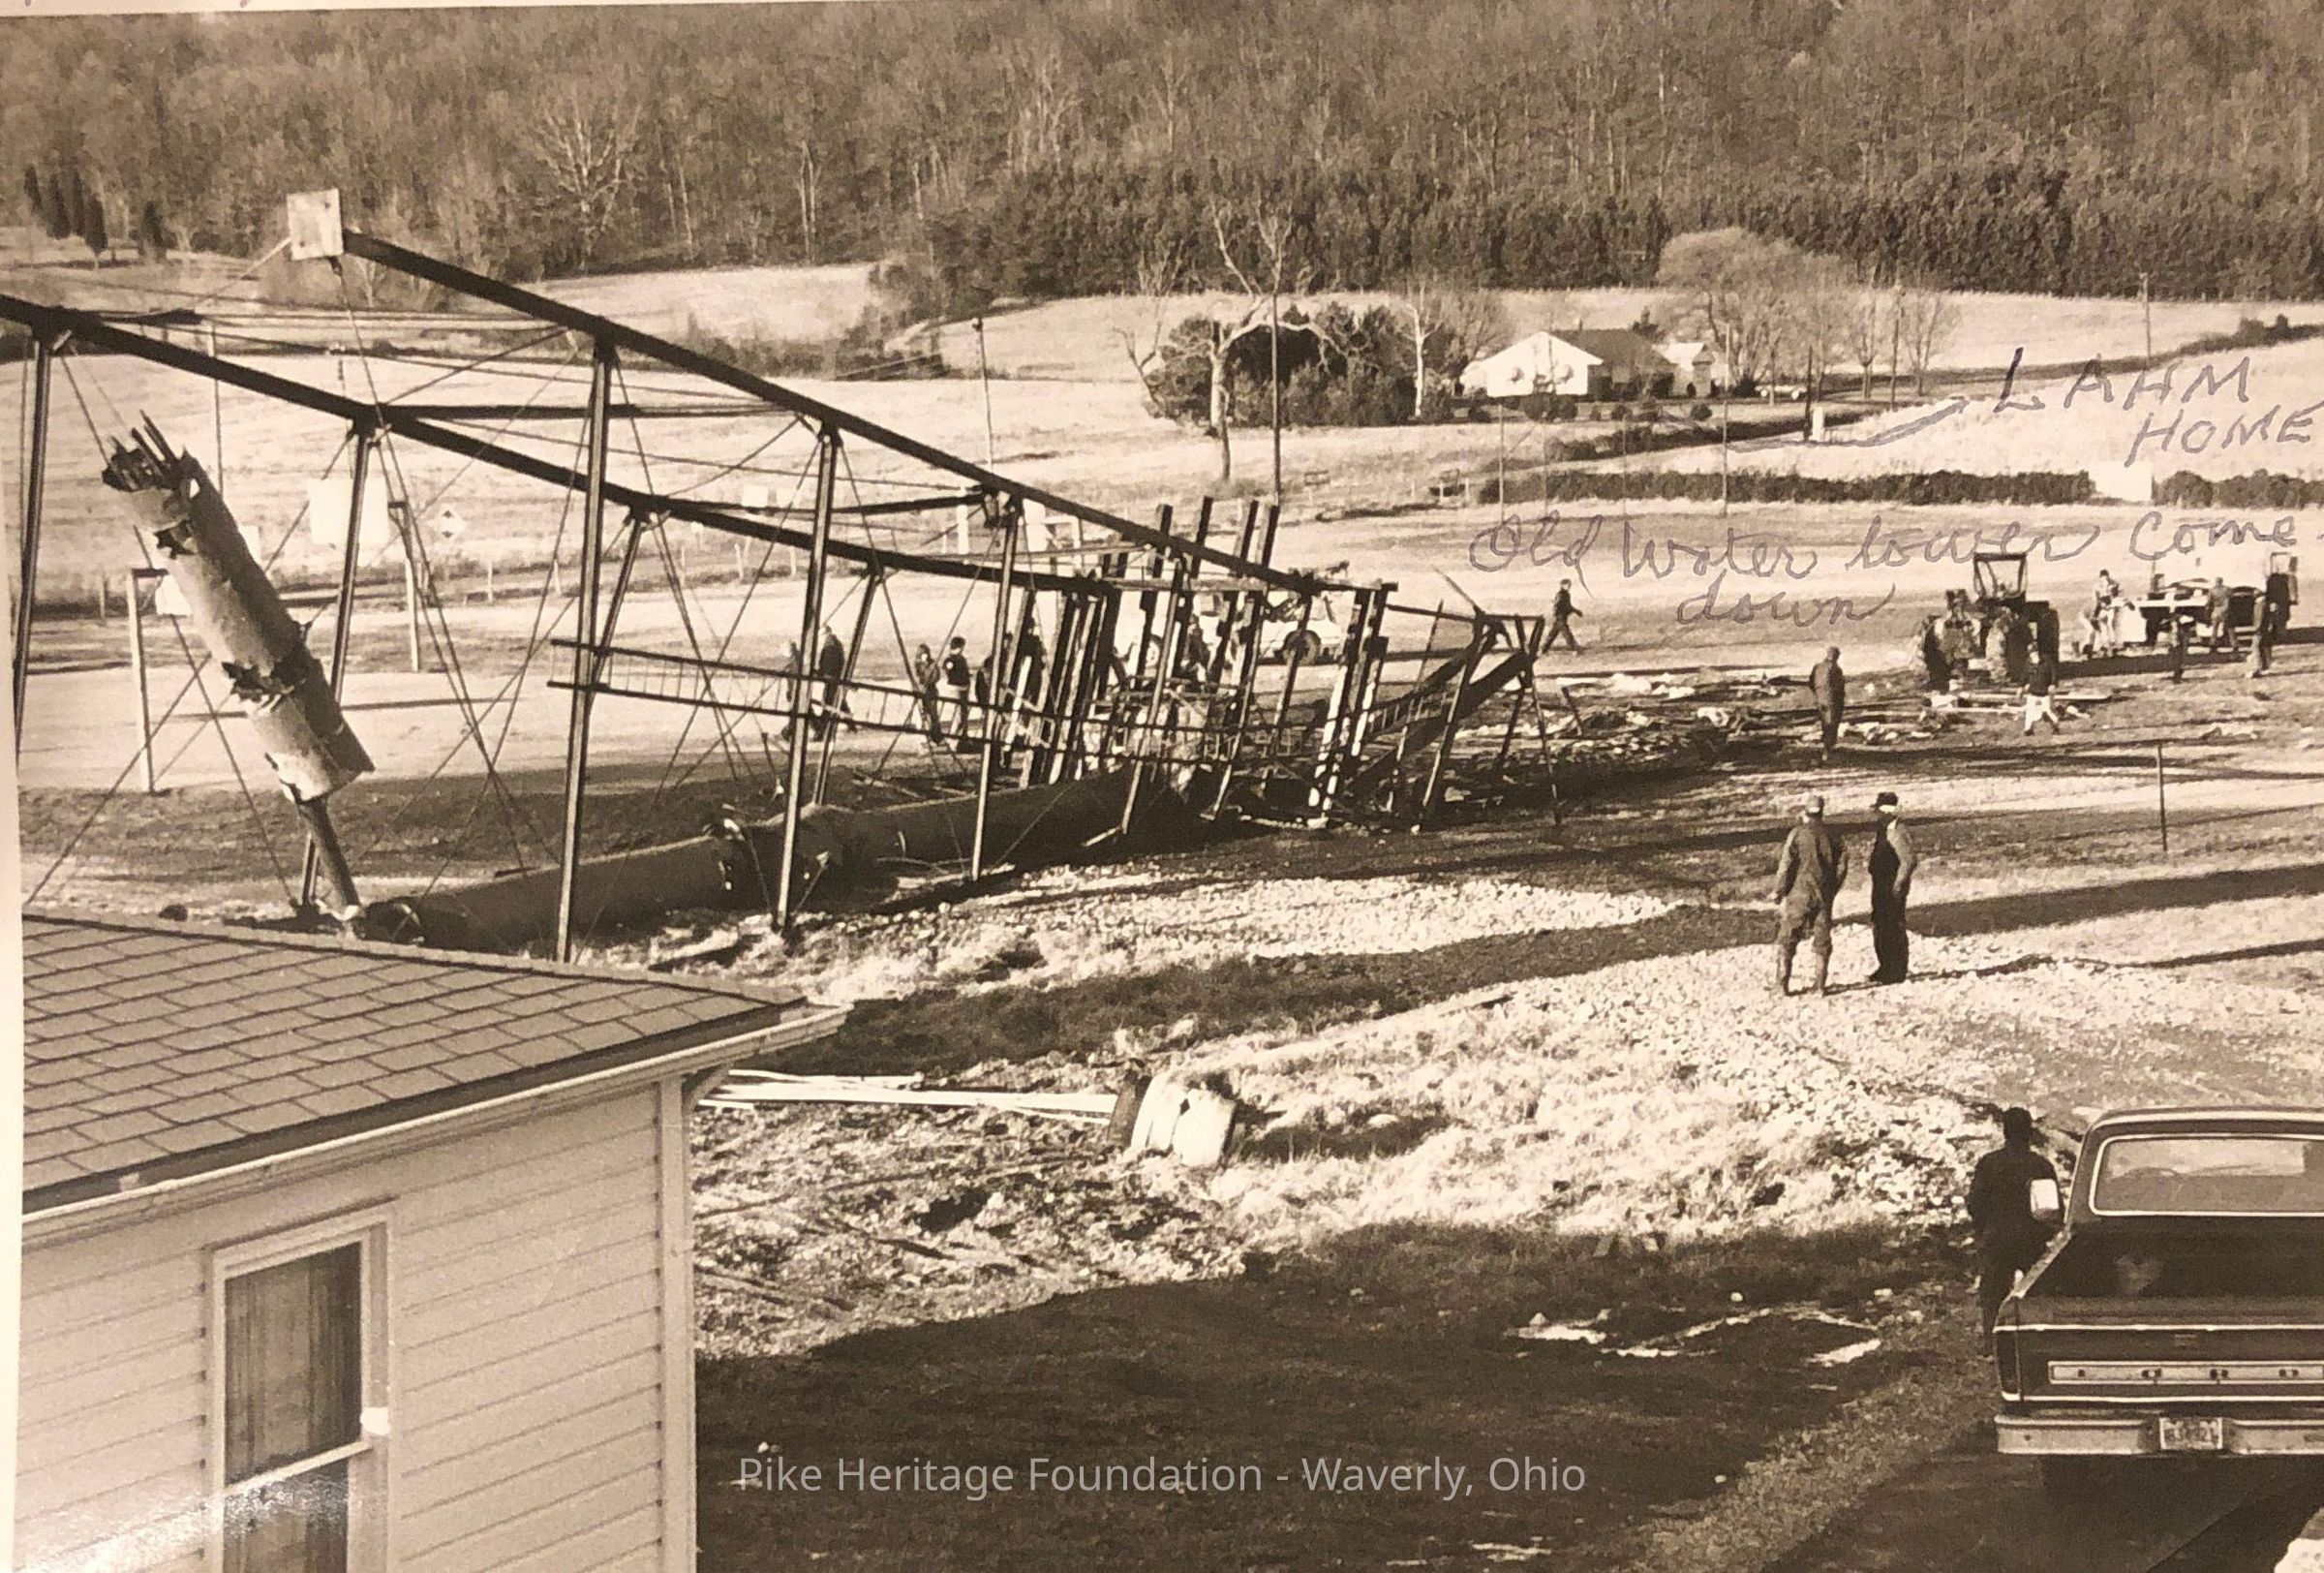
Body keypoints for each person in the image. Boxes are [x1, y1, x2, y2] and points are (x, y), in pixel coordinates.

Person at [1967, 1107, 2061, 1340]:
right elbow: (2054, 1210)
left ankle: (1992, 1343)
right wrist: (2044, 1233)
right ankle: (2038, 1338)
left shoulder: (1989, 1164)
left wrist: (1984, 1230)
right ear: (2029, 1132)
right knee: (2038, 1296)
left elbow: (1975, 1205)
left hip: (1997, 1239)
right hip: (2031, 1241)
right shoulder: (2041, 1166)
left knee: (1993, 1299)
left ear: (2005, 1131)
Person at [1770, 793, 1848, 997]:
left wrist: (1779, 890)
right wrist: (1832, 888)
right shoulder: (1833, 835)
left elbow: (1786, 865)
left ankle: (1781, 985)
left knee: (1788, 937)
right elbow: (1842, 866)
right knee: (1822, 939)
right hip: (1824, 893)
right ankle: (1819, 986)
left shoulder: (1797, 834)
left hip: (1799, 893)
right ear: (1822, 812)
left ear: (1805, 812)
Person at [1868, 790, 1919, 983]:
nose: (1877, 816)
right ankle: (1885, 967)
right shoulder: (1886, 830)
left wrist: (1898, 884)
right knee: (1881, 926)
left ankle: (1895, 970)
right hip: (1881, 886)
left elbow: (1909, 860)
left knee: (1892, 927)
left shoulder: (1896, 832)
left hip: (1891, 888)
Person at [1809, 646, 1846, 761]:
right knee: (1832, 726)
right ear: (1836, 656)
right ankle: (1827, 752)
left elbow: (1811, 683)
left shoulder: (1817, 667)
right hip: (1833, 701)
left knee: (1825, 725)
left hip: (1821, 700)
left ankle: (1826, 750)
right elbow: (1839, 688)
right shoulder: (1835, 669)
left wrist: (1819, 695)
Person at [813, 629, 848, 738]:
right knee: (837, 702)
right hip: (833, 679)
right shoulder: (834, 644)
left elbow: (829, 666)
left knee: (829, 703)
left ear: (826, 634)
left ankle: (821, 731)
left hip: (831, 679)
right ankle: (850, 724)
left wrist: (821, 673)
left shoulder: (831, 647)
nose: (820, 638)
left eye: (821, 635)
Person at [2021, 645, 2061, 734]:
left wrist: (2053, 684)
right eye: (2031, 653)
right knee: (2029, 711)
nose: (2033, 654)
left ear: (2038, 652)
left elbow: (2054, 672)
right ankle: (2028, 729)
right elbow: (2025, 675)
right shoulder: (2028, 663)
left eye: (2034, 652)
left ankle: (2055, 726)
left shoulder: (2046, 661)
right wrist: (2022, 685)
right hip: (2033, 691)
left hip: (2045, 691)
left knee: (2048, 711)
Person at [938, 635, 972, 741]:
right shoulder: (953, 660)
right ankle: (956, 734)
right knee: (959, 712)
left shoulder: (957, 659)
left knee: (962, 712)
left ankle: (961, 734)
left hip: (963, 688)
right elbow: (948, 668)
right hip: (958, 688)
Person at [911, 643, 942, 741]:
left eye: (926, 654)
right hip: (920, 691)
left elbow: (936, 676)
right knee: (923, 712)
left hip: (931, 690)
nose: (925, 656)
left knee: (933, 713)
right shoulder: (916, 664)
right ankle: (924, 732)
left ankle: (935, 734)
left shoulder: (932, 663)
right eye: (922, 654)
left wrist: (929, 680)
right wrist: (921, 682)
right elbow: (915, 677)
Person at [1917, 615, 1951, 694]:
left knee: (1936, 670)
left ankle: (1938, 686)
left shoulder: (1931, 629)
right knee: (1936, 670)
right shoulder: (1931, 630)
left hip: (1933, 655)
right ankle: (1938, 686)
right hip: (1933, 654)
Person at [1548, 579, 1582, 653]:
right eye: (1567, 585)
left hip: (1560, 618)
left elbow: (1567, 606)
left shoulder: (1565, 594)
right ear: (1562, 585)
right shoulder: (1562, 595)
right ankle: (1575, 649)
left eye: (1569, 585)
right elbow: (1562, 605)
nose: (1569, 586)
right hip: (1561, 617)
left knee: (1552, 635)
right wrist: (1576, 611)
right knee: (1567, 635)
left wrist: (1576, 611)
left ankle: (1543, 650)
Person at [2206, 576, 2234, 653]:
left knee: (2214, 630)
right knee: (2230, 629)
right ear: (2222, 581)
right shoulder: (2227, 589)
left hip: (2216, 610)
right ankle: (2234, 645)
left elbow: (2208, 603)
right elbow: (2232, 598)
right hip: (2226, 610)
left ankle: (2213, 646)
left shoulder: (2211, 590)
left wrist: (2208, 614)